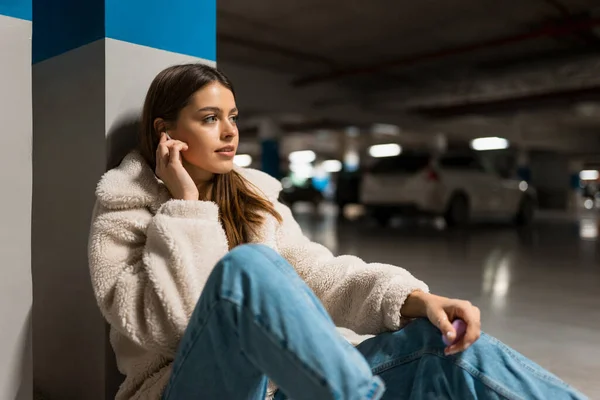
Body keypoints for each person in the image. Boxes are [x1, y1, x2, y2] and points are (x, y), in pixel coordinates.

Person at [88, 63, 587, 400]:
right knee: (252, 265)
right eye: (210, 118)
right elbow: (174, 329)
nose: (230, 132)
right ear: (165, 133)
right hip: (188, 388)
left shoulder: (254, 199)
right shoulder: (123, 216)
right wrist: (186, 209)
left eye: (233, 117)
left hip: (286, 388)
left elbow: (319, 276)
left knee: (450, 345)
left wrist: (416, 299)